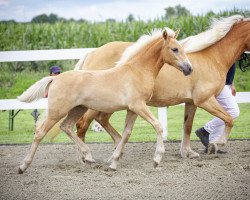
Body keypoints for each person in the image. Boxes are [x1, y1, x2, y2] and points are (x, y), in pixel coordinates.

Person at [195, 63, 240, 154]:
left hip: (225, 83)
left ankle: (212, 145)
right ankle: (205, 130)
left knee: (224, 112)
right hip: (221, 84)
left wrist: (231, 83)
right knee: (233, 112)